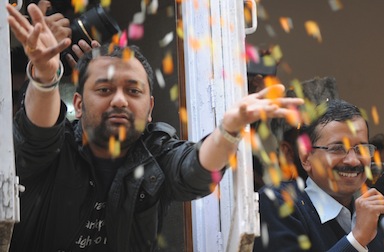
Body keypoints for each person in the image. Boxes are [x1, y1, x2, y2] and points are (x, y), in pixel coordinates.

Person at [7, 3, 303, 251]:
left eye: (133, 91)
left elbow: (196, 170)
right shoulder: (57, 151)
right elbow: (37, 135)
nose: (120, 100)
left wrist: (229, 128)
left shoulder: (156, 153)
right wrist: (45, 75)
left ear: (149, 108)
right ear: (79, 104)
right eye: (104, 89)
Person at [253, 99, 384, 252]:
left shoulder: (380, 214)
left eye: (361, 149)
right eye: (337, 148)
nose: (353, 161)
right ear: (306, 158)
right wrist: (357, 239)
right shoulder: (279, 204)